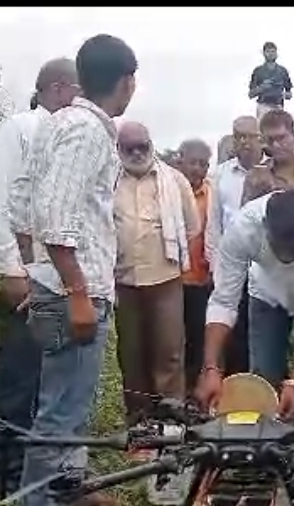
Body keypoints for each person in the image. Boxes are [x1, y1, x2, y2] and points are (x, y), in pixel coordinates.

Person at [13, 33, 137, 506]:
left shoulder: (60, 123)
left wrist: (39, 273)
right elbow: (56, 218)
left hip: (60, 283)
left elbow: (24, 204)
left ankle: (66, 491)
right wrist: (76, 291)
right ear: (127, 82)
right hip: (74, 289)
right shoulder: (85, 130)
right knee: (60, 411)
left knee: (69, 404)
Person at [0, 57, 80, 499]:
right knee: (20, 378)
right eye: (78, 92)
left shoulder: (73, 137)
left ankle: (59, 478)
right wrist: (11, 270)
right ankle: (7, 480)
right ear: (58, 89)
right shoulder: (18, 129)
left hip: (61, 278)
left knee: (60, 382)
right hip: (26, 275)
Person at [196, 189, 294, 418]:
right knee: (262, 383)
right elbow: (224, 301)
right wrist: (210, 368)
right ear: (264, 227)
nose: (285, 255)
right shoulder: (243, 230)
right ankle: (267, 439)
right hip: (266, 294)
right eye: (277, 246)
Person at [113, 123, 200, 429]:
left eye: (143, 146)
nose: (137, 153)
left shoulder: (174, 180)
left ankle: (171, 424)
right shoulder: (108, 180)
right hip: (123, 281)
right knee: (131, 354)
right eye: (130, 148)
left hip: (165, 279)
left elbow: (192, 227)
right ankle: (140, 424)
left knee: (169, 353)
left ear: (151, 145)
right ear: (118, 150)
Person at [206, 116, 266, 376]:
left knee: (264, 329)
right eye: (239, 136)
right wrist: (215, 267)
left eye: (250, 136)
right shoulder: (220, 175)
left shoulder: (274, 170)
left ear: (261, 139)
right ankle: (236, 384)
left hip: (266, 265)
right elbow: (214, 224)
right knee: (233, 329)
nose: (245, 142)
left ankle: (265, 385)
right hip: (233, 265)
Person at [176, 138, 214, 395]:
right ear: (180, 162)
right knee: (171, 341)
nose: (198, 169)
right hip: (170, 280)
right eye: (193, 162)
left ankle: (192, 392)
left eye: (203, 164)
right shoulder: (168, 190)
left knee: (198, 339)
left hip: (201, 279)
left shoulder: (212, 194)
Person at [249, 41, 293, 119]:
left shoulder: (283, 71)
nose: (271, 54)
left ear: (276, 53)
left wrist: (284, 94)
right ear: (263, 53)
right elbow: (251, 94)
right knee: (263, 126)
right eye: (268, 52)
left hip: (278, 107)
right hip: (263, 107)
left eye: (273, 51)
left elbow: (289, 94)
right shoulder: (258, 71)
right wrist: (262, 88)